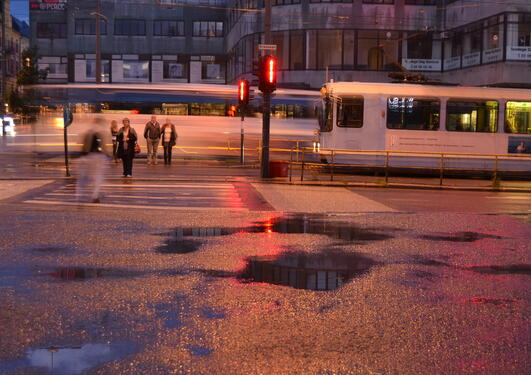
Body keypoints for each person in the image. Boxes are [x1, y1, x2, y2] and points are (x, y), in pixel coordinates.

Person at [76, 117, 110, 203]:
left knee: (84, 178)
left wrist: (81, 157)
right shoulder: (101, 132)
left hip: (87, 157)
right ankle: (95, 196)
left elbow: (84, 145)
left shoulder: (89, 132)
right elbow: (103, 146)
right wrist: (108, 156)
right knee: (98, 177)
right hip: (97, 158)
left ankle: (79, 195)